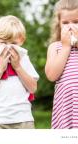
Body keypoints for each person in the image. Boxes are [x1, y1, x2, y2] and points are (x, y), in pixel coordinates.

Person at [0, 15, 39, 129]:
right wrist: (0, 69)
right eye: (4, 43)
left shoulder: (23, 59)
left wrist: (18, 66)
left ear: (21, 41)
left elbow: (33, 88)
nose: (8, 48)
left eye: (13, 43)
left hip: (24, 119)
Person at [45, 0, 78, 129]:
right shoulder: (55, 47)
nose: (71, 27)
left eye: (76, 22)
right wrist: (65, 47)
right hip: (67, 106)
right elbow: (52, 75)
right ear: (58, 25)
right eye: (65, 23)